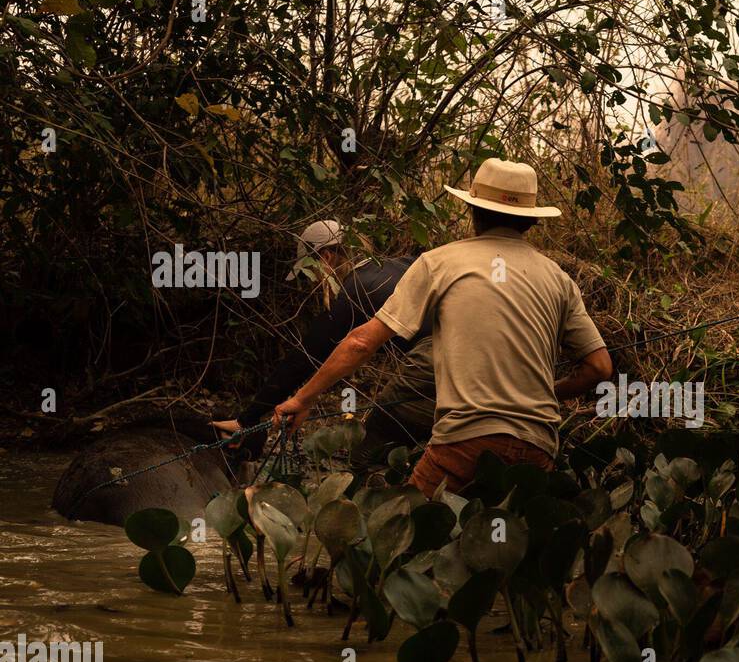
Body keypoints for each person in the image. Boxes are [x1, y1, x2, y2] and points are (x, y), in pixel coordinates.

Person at [271, 157, 614, 495]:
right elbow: (599, 367)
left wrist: (302, 400)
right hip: (538, 448)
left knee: (404, 532)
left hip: (464, 441)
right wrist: (540, 395)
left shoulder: (440, 262)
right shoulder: (560, 279)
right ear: (530, 222)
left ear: (473, 212)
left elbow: (361, 343)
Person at [211, 221, 435, 461]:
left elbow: (302, 361)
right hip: (470, 349)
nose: (313, 282)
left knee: (368, 455)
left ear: (326, 257)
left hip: (437, 360)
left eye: (311, 271)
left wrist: (247, 420)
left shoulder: (355, 291)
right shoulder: (396, 265)